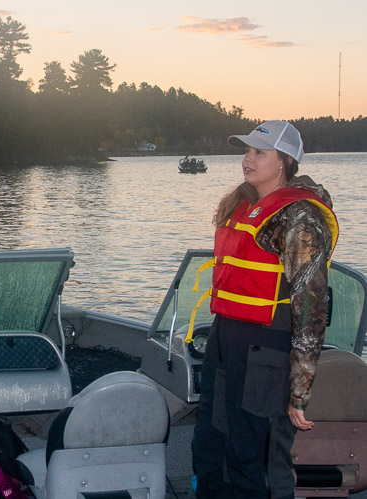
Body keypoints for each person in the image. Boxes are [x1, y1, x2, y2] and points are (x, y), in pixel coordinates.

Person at [190, 120, 338, 498]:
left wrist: (299, 390)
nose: (247, 158)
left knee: (256, 459)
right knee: (212, 446)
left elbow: (311, 306)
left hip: (266, 350)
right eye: (246, 150)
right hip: (226, 339)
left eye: (259, 152)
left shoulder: (300, 216)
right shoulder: (242, 205)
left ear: (285, 161)